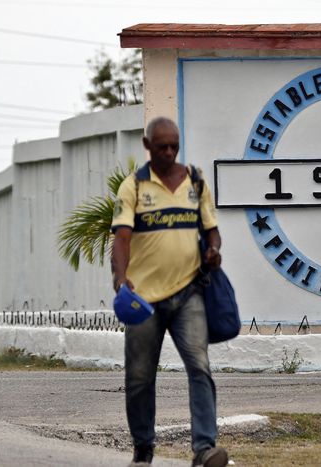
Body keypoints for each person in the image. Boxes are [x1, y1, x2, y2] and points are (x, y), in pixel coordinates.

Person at [111, 116, 228, 467]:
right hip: (143, 300)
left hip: (189, 293)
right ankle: (143, 449)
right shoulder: (134, 186)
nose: (169, 152)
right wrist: (120, 277)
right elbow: (122, 238)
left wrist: (213, 249)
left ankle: (204, 449)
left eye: (174, 146)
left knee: (199, 367)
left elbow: (212, 229)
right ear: (147, 146)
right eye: (161, 146)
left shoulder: (196, 182)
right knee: (140, 376)